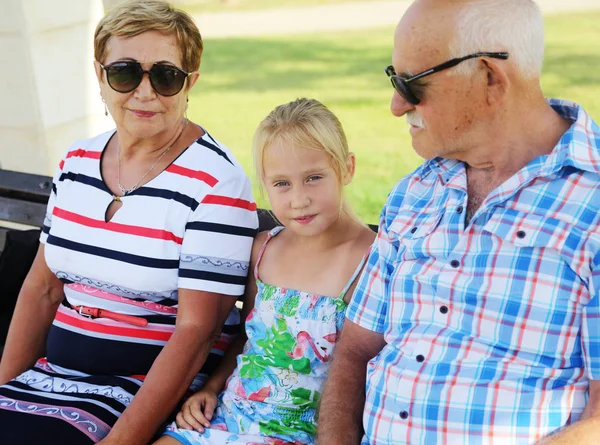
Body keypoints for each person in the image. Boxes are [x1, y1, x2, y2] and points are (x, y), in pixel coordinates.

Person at [317, 0, 600, 444]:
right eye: (394, 79)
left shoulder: (593, 202)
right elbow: (355, 351)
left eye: (411, 84)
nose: (396, 104)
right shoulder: (416, 191)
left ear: (489, 77)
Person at [0, 1, 258, 444]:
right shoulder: (77, 162)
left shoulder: (217, 182)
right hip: (54, 379)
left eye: (165, 76)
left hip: (140, 392)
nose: (145, 92)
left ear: (189, 83)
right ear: (100, 76)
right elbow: (42, 289)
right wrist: (5, 389)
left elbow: (197, 333)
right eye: (124, 72)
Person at [154, 98, 376, 445]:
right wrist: (211, 388)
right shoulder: (264, 249)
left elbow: (364, 369)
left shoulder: (369, 260)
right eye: (281, 184)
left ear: (346, 169)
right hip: (229, 418)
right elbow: (248, 339)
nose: (298, 199)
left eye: (314, 178)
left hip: (301, 434)